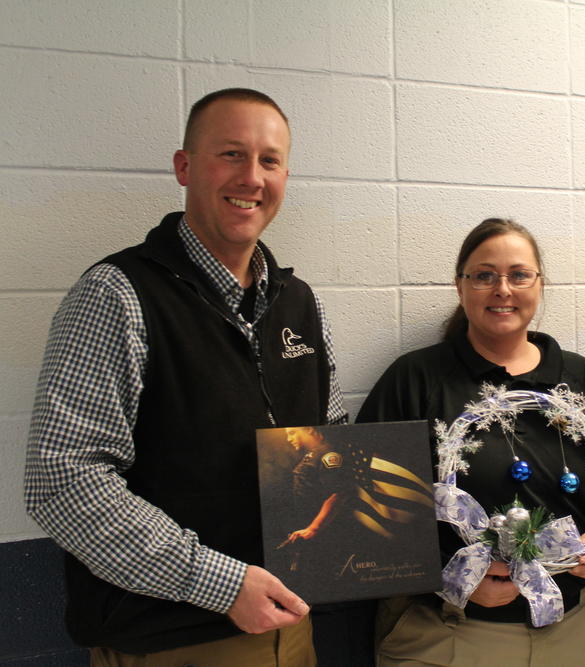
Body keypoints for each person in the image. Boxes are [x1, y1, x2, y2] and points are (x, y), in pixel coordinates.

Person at [24, 88, 371, 665]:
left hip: (292, 632)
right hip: (172, 642)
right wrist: (222, 584)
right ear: (184, 167)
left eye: (269, 160)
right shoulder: (117, 295)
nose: (252, 177)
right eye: (230, 154)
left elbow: (331, 438)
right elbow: (63, 479)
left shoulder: (299, 303)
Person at [356, 218, 585, 666]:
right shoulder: (416, 380)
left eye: (519, 274)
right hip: (450, 636)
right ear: (459, 285)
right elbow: (367, 506)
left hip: (580, 633)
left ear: (539, 284)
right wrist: (451, 576)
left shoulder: (581, 381)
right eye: (484, 275)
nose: (502, 289)